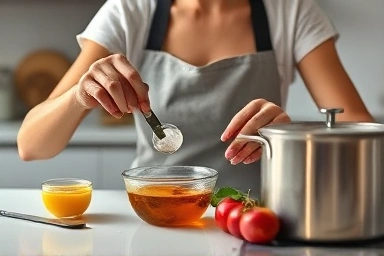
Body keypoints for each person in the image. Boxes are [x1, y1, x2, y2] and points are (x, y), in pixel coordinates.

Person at [17, 0, 373, 196]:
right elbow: (32, 145)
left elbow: (360, 134)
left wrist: (289, 135)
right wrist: (80, 95)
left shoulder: (290, 11)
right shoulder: (131, 11)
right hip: (158, 215)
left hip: (255, 223)